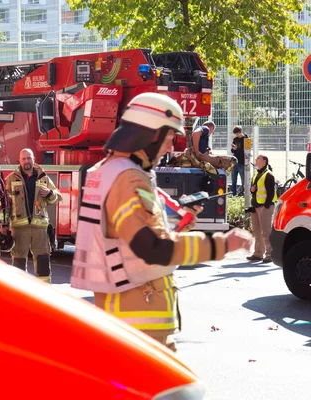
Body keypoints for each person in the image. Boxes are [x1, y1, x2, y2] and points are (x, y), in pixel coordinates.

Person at [70, 93, 254, 351]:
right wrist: (221, 245)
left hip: (132, 319)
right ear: (150, 134)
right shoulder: (128, 179)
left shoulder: (113, 171)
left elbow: (135, 238)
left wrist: (185, 220)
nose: (170, 148)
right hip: (140, 327)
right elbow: (153, 248)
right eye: (168, 139)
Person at [5, 148, 61, 283]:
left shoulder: (43, 177)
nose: (26, 161)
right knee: (18, 262)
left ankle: (45, 294)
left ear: (34, 159)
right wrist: (4, 225)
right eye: (23, 158)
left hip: (39, 228)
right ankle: (19, 293)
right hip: (19, 229)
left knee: (43, 261)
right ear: (19, 160)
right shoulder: (10, 179)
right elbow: (6, 205)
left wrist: (49, 193)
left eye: (29, 158)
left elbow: (57, 197)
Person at [247, 155, 277, 263]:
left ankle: (269, 254)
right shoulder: (256, 174)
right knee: (257, 231)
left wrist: (266, 206)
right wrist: (252, 190)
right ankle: (258, 253)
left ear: (264, 161)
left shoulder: (268, 175)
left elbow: (271, 192)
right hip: (256, 206)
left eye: (258, 159)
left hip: (265, 207)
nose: (256, 160)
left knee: (266, 231)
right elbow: (254, 190)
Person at [230, 126, 248, 196]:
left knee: (243, 180)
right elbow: (232, 150)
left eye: (237, 134)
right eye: (236, 134)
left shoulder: (246, 139)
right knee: (233, 180)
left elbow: (245, 151)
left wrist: (237, 149)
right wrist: (233, 148)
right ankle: (233, 194)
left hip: (241, 162)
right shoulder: (235, 139)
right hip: (235, 162)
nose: (236, 135)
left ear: (241, 132)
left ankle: (243, 194)